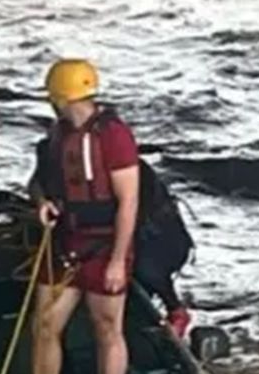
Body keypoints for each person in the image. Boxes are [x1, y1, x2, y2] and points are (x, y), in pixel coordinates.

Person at [0, 59, 139, 374]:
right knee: (44, 326)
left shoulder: (115, 137)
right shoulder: (57, 137)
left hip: (104, 246)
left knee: (106, 328)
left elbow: (129, 201)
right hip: (65, 244)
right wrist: (43, 202)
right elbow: (38, 182)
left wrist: (116, 261)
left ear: (60, 97)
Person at [28, 129, 196, 339]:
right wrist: (42, 201)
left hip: (154, 233)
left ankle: (175, 310)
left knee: (144, 267)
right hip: (89, 234)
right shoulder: (50, 151)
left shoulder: (123, 164)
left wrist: (113, 256)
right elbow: (36, 183)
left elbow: (131, 212)